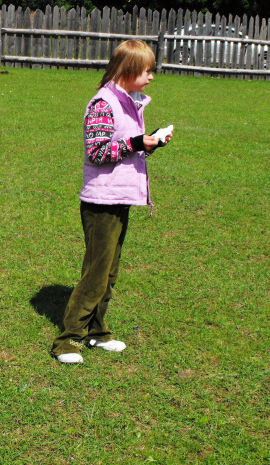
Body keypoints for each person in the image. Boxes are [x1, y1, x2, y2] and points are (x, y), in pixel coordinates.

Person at [51, 39, 173, 364]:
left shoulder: (128, 103)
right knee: (95, 273)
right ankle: (68, 340)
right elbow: (98, 151)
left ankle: (96, 332)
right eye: (147, 71)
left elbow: (125, 148)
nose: (151, 77)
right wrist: (136, 142)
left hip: (120, 199)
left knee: (110, 273)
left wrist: (150, 143)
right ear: (128, 70)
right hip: (101, 203)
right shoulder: (103, 104)